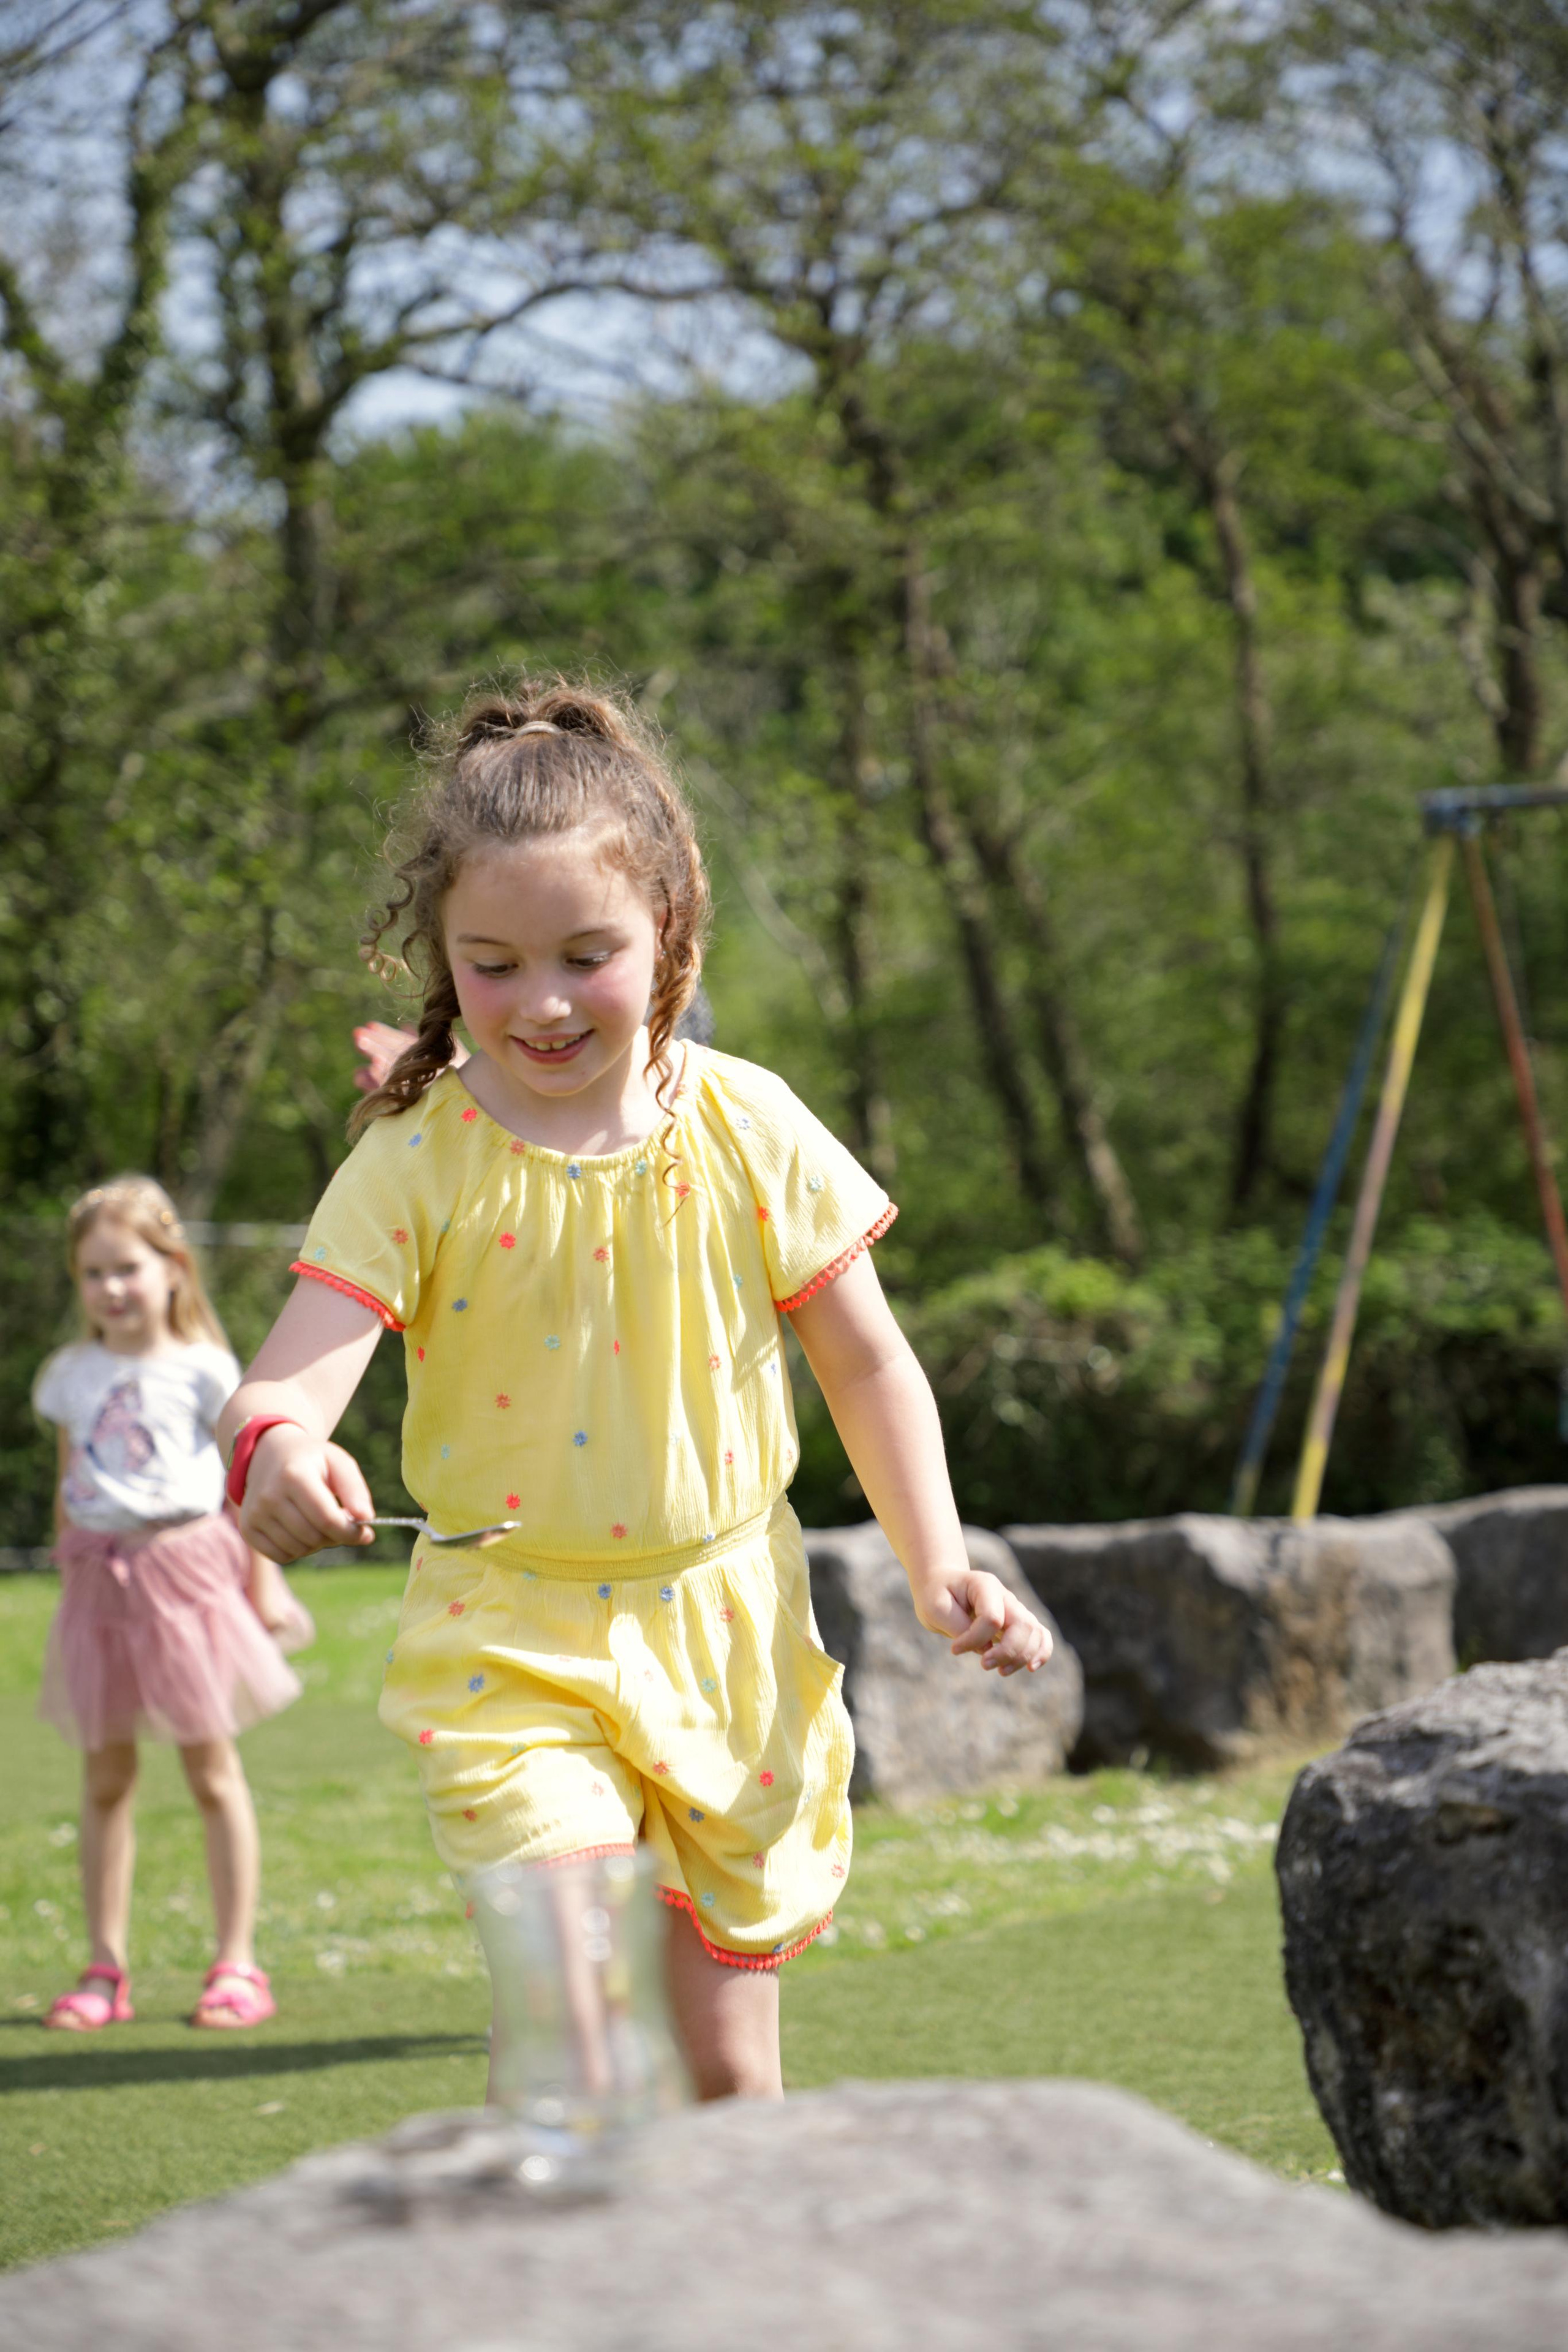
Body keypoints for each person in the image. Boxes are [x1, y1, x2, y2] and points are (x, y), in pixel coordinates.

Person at [221, 679, 1052, 2101]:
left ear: (670, 927)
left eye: (583, 955)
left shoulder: (748, 1122)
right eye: (489, 965)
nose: (537, 1003)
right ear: (439, 958)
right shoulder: (415, 1158)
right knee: (575, 1998)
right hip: (510, 1632)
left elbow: (865, 1360)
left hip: (731, 1629)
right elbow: (280, 1384)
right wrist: (281, 1451)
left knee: (730, 2071)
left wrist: (937, 1564)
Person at [34, 1177, 311, 2032]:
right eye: (93, 1273)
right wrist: (65, 1565)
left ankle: (237, 1963)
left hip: (188, 1578)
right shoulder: (71, 1374)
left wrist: (260, 1584)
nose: (112, 1288)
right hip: (97, 1584)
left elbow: (238, 1487)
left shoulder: (204, 1369)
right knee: (106, 1776)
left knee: (211, 1770)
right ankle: (104, 1966)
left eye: (127, 1268)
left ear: (172, 1270)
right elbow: (67, 1474)